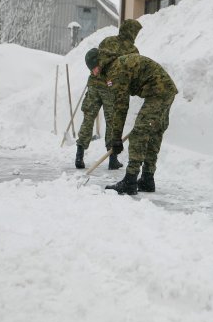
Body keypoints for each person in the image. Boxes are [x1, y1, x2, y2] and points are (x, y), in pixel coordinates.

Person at [88, 47, 177, 195]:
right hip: (164, 90)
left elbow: (121, 106)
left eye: (92, 69)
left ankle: (130, 181)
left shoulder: (115, 71)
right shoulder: (115, 65)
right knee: (153, 134)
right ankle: (147, 179)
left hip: (158, 91)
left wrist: (116, 138)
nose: (93, 73)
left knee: (139, 133)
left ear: (97, 64)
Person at [75, 19, 142, 170]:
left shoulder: (107, 41)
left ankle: (79, 154)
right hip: (112, 87)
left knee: (88, 117)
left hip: (94, 83)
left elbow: (95, 59)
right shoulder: (132, 50)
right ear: (132, 33)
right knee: (112, 122)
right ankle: (112, 159)